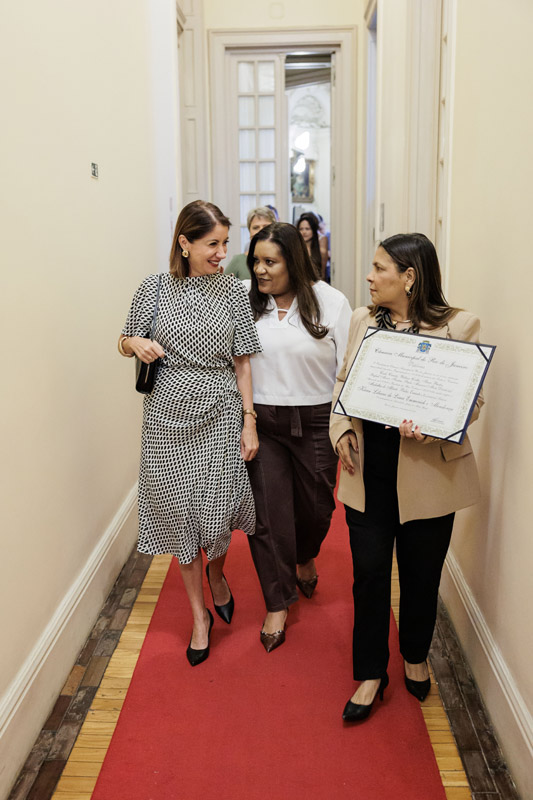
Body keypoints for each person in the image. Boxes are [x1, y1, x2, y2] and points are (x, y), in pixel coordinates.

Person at [330, 233, 483, 721]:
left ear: (409, 277)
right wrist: (340, 432)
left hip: (427, 476)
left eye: (379, 269)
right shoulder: (360, 320)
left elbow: (471, 403)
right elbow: (341, 387)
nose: (370, 278)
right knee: (369, 576)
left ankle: (414, 655)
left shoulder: (460, 327)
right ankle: (372, 672)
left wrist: (434, 429)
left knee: (421, 578)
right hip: (367, 471)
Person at [118, 200, 262, 667]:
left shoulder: (234, 293)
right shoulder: (153, 289)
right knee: (181, 516)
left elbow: (242, 361)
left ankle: (217, 576)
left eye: (225, 242)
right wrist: (132, 343)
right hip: (166, 416)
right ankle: (199, 617)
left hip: (220, 409)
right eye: (212, 244)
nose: (223, 252)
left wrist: (249, 420)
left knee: (217, 510)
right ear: (184, 243)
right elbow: (125, 338)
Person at [244, 222, 352, 652]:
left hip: (316, 421)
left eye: (270, 261)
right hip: (263, 422)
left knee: (316, 510)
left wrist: (347, 425)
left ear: (294, 260)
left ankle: (306, 556)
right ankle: (277, 601)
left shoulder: (331, 302)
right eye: (256, 261)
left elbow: (347, 366)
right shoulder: (247, 304)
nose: (260, 270)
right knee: (268, 515)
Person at [224, 206, 277, 279]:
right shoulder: (238, 261)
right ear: (249, 231)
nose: (261, 231)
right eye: (256, 227)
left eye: (266, 226)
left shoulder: (281, 259)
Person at [297, 212, 328, 280]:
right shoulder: (295, 248)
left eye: (307, 229)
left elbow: (322, 273)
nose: (304, 232)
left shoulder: (320, 249)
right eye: (301, 229)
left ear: (314, 230)